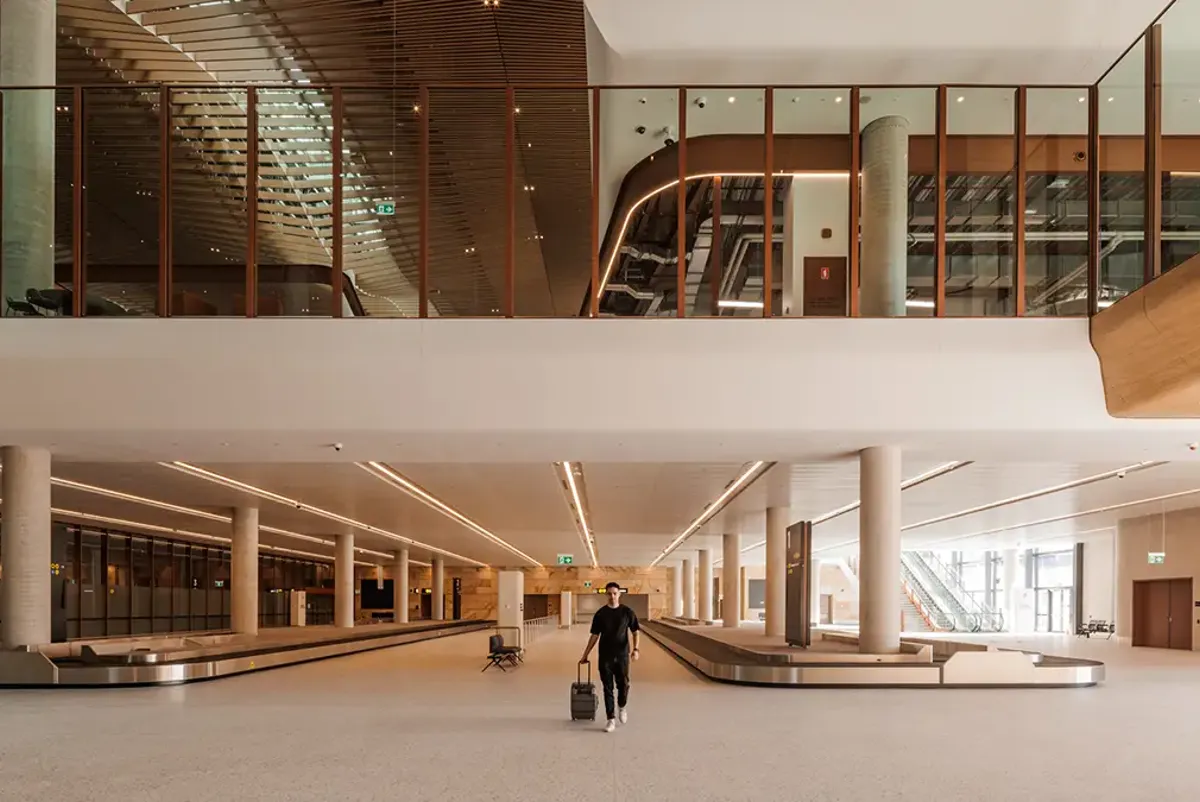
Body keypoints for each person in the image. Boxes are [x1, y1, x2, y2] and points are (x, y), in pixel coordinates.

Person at [579, 581, 640, 733]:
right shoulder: (600, 614)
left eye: (615, 593)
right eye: (609, 593)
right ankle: (610, 719)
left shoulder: (627, 612)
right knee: (607, 688)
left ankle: (622, 706)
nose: (612, 596)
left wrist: (636, 649)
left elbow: (635, 631)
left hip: (622, 656)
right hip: (605, 656)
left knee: (623, 684)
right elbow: (594, 635)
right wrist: (585, 654)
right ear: (606, 595)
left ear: (619, 594)